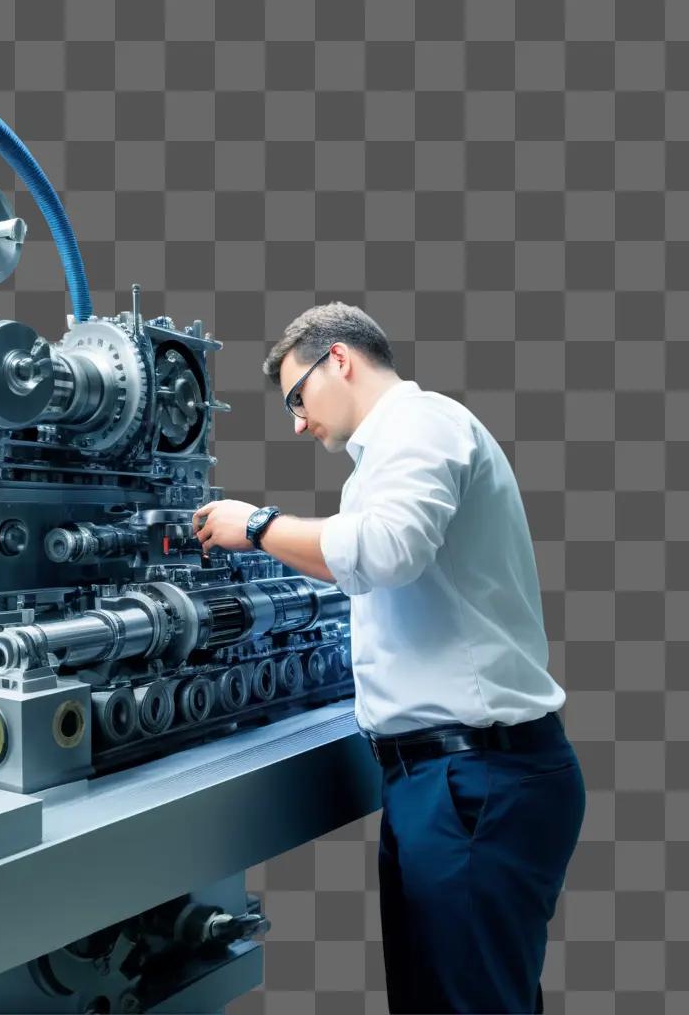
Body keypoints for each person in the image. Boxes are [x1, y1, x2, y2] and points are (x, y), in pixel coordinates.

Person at [193, 302, 585, 1014]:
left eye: (296, 396)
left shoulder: (421, 424)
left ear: (337, 359)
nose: (297, 421)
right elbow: (373, 575)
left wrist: (254, 525)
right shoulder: (380, 463)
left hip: (476, 778)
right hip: (439, 780)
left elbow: (383, 552)